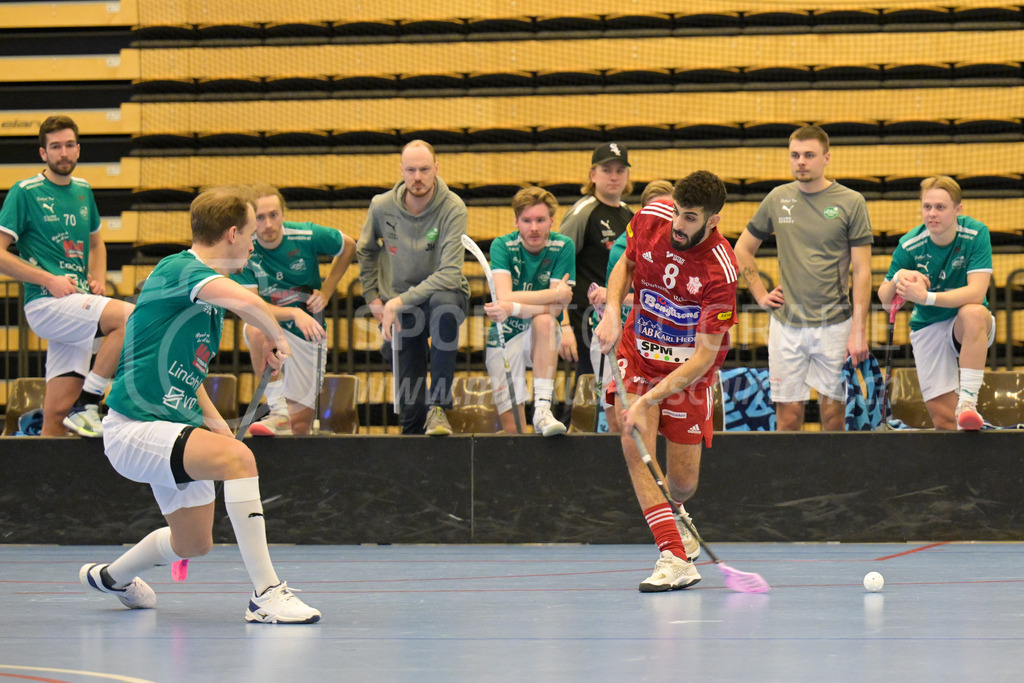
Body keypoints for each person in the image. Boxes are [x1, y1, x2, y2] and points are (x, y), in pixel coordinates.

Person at [79, 186, 320, 624]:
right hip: (135, 429)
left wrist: (218, 428)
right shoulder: (180, 269)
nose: (253, 244)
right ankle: (266, 595)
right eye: (249, 233)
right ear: (232, 233)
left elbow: (192, 376)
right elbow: (249, 302)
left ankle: (112, 577)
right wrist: (277, 336)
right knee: (240, 460)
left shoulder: (206, 301)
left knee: (193, 541)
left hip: (172, 426)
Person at [595, 171, 738, 592]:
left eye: (690, 217)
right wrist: (611, 311)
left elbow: (703, 357)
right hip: (637, 355)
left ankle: (676, 511)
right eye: (677, 211)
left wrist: (650, 398)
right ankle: (673, 555)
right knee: (633, 437)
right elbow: (626, 262)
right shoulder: (651, 217)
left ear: (712, 221)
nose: (678, 223)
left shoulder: (721, 272)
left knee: (683, 483)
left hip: (686, 377)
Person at [0, 115, 134, 437]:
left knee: (56, 415)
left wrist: (97, 280)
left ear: (78, 149)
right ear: (43, 153)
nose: (64, 153)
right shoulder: (25, 192)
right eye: (55, 146)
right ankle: (89, 402)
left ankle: (42, 485)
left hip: (76, 304)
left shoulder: (83, 191)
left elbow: (97, 242)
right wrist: (47, 279)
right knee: (130, 318)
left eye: (69, 145)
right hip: (46, 303)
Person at [733, 125, 873, 431]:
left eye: (809, 155)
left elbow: (862, 271)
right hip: (786, 326)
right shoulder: (777, 198)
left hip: (835, 324)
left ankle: (832, 480)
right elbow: (742, 249)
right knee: (788, 418)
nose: (801, 161)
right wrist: (759, 293)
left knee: (835, 417)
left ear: (826, 158)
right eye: (795, 155)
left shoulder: (851, 202)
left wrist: (858, 331)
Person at [355, 140, 469, 436]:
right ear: (401, 171)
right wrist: (373, 298)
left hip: (443, 296)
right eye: (411, 170)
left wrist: (396, 302)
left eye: (424, 169)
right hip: (401, 304)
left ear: (436, 169)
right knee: (410, 409)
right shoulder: (381, 206)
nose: (417, 177)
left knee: (444, 304)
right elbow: (365, 251)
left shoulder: (453, 207)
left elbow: (449, 274)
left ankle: (440, 406)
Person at [235, 186, 355, 436]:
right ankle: (277, 408)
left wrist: (327, 291)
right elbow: (251, 305)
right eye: (260, 217)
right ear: (251, 220)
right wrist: (293, 312)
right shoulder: (246, 249)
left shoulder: (306, 235)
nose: (268, 224)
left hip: (308, 331)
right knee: (255, 328)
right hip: (273, 325)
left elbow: (349, 246)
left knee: (300, 425)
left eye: (274, 215)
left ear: (283, 214)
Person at [878, 176, 994, 430]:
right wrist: (898, 277)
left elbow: (977, 292)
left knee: (974, 312)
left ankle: (967, 401)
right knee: (945, 421)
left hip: (965, 325)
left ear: (957, 209)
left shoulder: (976, 234)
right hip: (928, 325)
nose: (932, 213)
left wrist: (926, 298)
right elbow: (885, 300)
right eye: (927, 207)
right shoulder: (910, 244)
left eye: (940, 207)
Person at [483, 187, 575, 436]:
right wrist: (553, 295)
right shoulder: (502, 246)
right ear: (516, 222)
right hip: (505, 336)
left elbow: (556, 309)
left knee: (545, 321)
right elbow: (504, 296)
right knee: (514, 432)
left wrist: (512, 307)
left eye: (540, 220)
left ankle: (543, 410)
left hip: (539, 334)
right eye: (527, 220)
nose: (534, 227)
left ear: (552, 221)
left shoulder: (563, 246)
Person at [588, 180, 674, 433]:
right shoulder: (623, 248)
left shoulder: (683, 249)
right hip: (618, 337)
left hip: (661, 337)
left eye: (668, 209)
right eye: (653, 209)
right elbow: (617, 297)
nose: (660, 216)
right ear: (642, 214)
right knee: (618, 418)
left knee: (663, 414)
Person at [558, 142, 634, 419]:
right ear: (593, 175)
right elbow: (559, 264)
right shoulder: (584, 212)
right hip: (585, 315)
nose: (613, 176)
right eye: (606, 170)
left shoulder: (629, 214)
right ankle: (571, 434)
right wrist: (563, 322)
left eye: (619, 170)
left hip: (616, 313)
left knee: (612, 385)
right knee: (587, 384)